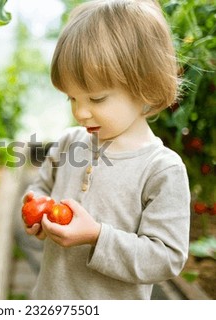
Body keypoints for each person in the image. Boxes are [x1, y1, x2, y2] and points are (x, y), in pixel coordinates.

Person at [23, 0, 190, 299]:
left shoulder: (161, 169)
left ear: (146, 88)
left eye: (96, 99)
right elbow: (40, 187)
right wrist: (37, 210)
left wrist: (97, 237)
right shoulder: (68, 144)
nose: (80, 113)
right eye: (72, 99)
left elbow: (166, 257)